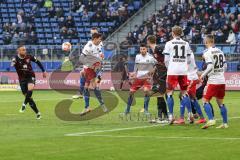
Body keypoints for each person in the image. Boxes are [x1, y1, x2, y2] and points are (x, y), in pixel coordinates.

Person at [163, 26, 194, 124]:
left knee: (169, 93)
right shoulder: (186, 43)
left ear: (172, 33)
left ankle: (171, 116)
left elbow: (166, 60)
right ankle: (190, 114)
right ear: (181, 33)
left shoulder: (169, 43)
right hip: (183, 70)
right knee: (184, 92)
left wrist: (169, 67)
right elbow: (189, 59)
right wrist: (184, 65)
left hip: (172, 70)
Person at [200, 35, 228, 129]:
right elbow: (225, 66)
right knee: (220, 102)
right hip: (222, 80)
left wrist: (203, 75)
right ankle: (225, 123)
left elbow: (210, 66)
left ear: (206, 42)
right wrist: (220, 73)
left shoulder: (207, 52)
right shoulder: (220, 51)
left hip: (213, 81)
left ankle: (211, 119)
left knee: (205, 101)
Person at [11, 45, 47, 119]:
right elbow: (13, 61)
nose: (25, 51)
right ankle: (38, 113)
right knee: (29, 97)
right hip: (22, 79)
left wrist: (43, 71)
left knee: (30, 89)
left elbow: (38, 62)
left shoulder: (29, 56)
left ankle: (24, 104)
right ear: (19, 51)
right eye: (23, 50)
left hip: (30, 76)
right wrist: (13, 63)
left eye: (25, 50)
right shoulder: (15, 58)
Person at [122, 43, 156, 115]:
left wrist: (152, 74)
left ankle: (146, 110)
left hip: (147, 78)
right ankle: (127, 110)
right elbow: (136, 66)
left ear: (146, 49)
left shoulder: (150, 57)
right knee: (131, 92)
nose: (142, 50)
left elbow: (156, 66)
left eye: (143, 49)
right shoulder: (137, 56)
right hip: (138, 78)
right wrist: (134, 73)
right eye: (141, 49)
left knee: (146, 91)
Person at [80, 33, 107, 115]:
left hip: (95, 67)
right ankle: (99, 105)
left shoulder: (100, 44)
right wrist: (91, 64)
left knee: (88, 86)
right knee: (91, 86)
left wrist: (101, 57)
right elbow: (82, 58)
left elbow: (100, 52)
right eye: (99, 39)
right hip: (89, 67)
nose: (100, 41)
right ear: (95, 39)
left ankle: (87, 107)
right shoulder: (88, 47)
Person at [72, 28, 103, 99]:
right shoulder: (91, 43)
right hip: (90, 63)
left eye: (94, 33)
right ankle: (82, 92)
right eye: (91, 33)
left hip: (95, 64)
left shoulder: (98, 43)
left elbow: (98, 53)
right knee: (83, 74)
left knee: (92, 80)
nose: (92, 34)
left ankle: (85, 93)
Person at [147, 35, 168, 123]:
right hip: (159, 73)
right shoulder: (153, 51)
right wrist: (154, 69)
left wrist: (166, 67)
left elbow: (167, 57)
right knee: (159, 94)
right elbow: (158, 62)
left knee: (158, 93)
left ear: (148, 41)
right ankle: (163, 117)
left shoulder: (159, 48)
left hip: (164, 73)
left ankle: (164, 117)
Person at [187, 51, 206, 124]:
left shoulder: (187, 55)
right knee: (192, 98)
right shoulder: (191, 55)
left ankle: (192, 116)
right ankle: (195, 115)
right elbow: (195, 69)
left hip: (191, 78)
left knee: (185, 97)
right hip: (193, 78)